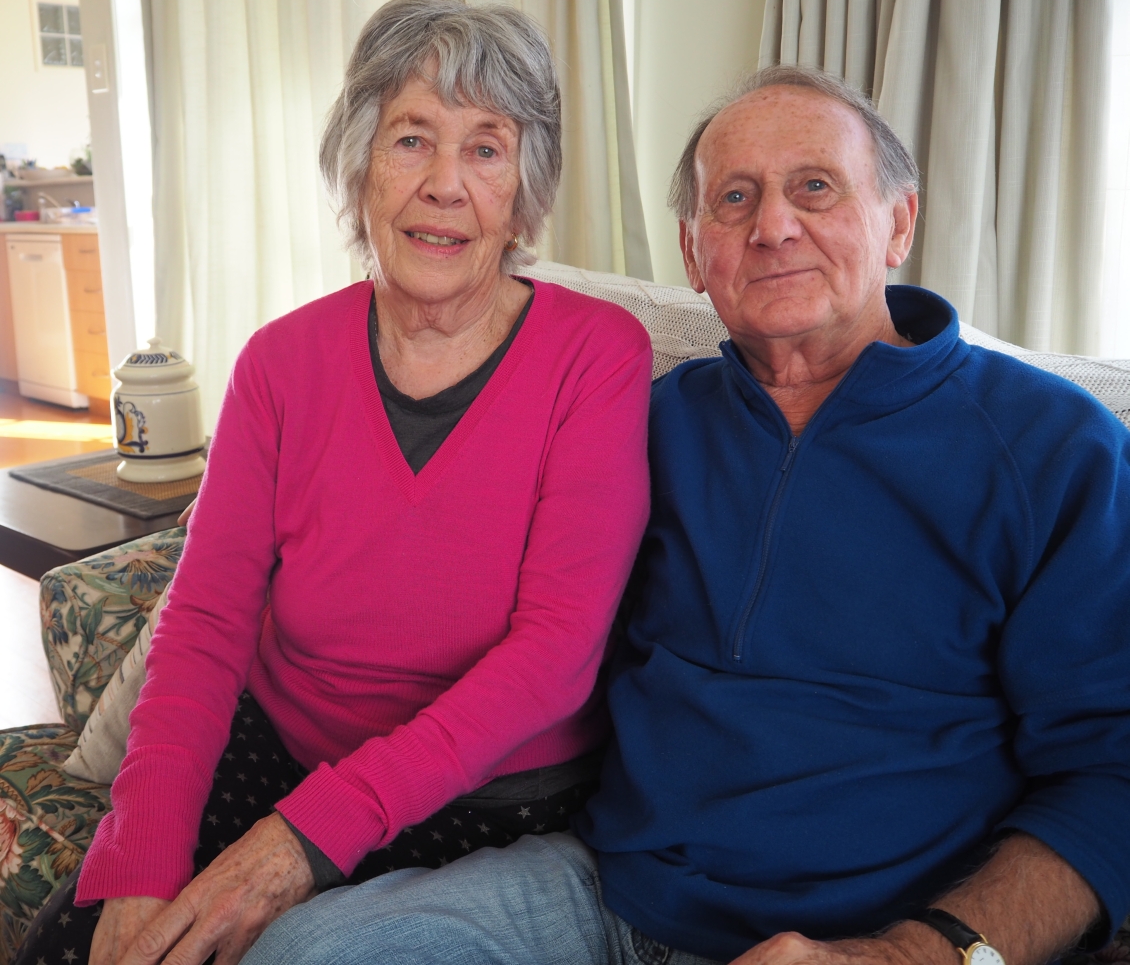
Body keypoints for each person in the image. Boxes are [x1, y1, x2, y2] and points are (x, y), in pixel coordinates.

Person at [243, 66, 1130, 965]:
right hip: (609, 894)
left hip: (876, 927)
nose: (773, 226)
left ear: (900, 221)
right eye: (734, 199)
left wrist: (921, 953)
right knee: (304, 954)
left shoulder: (1055, 448)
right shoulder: (641, 418)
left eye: (814, 187)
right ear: (693, 253)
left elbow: (1113, 774)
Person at [13, 0, 651, 965]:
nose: (444, 184)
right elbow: (204, 623)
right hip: (280, 748)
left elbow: (555, 652)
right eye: (410, 138)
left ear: (526, 189)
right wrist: (140, 858)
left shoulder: (595, 356)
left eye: (486, 148)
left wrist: (296, 843)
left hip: (486, 794)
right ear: (357, 165)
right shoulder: (279, 363)